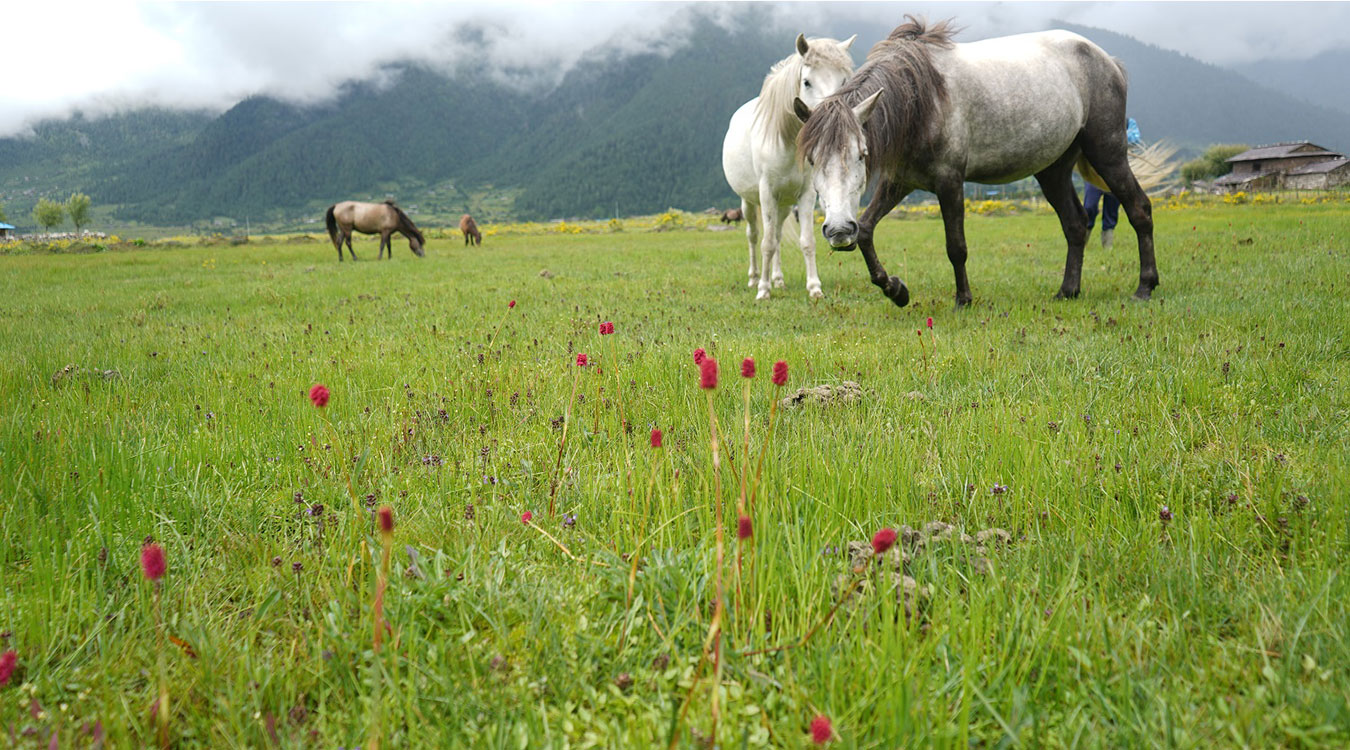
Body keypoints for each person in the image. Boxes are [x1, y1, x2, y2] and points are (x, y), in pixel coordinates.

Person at [1084, 118, 1142, 249]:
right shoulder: (1095, 118)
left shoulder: (1128, 122)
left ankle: (1107, 246)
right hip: (1094, 172)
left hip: (1116, 173)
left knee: (1111, 210)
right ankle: (1082, 242)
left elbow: (1135, 139)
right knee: (1089, 206)